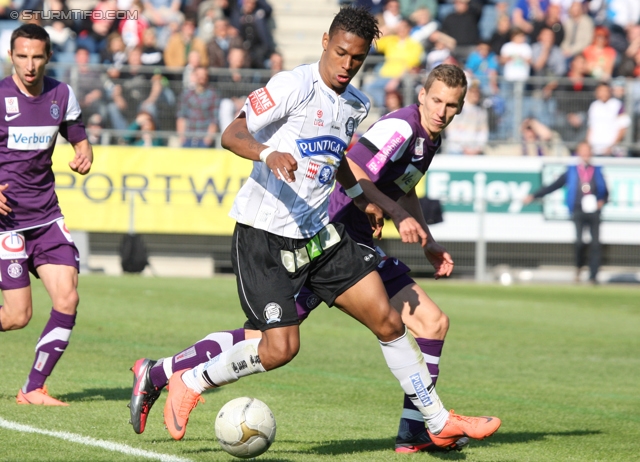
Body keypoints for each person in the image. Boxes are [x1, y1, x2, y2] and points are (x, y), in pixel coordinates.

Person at [127, 7, 501, 450]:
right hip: (264, 235)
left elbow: (340, 160)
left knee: (387, 318)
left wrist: (364, 199)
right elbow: (232, 133)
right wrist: (267, 154)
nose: (347, 65)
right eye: (341, 53)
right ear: (325, 42)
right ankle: (188, 379)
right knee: (278, 347)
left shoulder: (355, 104)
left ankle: (434, 422)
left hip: (320, 234)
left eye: (357, 59)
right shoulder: (293, 85)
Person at [0, 24, 93, 405]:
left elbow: (75, 129)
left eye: (37, 56)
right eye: (22, 56)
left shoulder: (61, 93)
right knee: (17, 316)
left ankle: (33, 388)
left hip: (46, 217)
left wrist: (84, 150)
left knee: (67, 298)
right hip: (6, 226)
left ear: (48, 57)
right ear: (11, 56)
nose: (30, 65)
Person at [524, 142, 608, 283]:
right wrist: (534, 195)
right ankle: (579, 266)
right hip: (578, 209)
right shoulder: (572, 171)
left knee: (595, 244)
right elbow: (554, 185)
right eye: (583, 151)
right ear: (579, 153)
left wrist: (602, 201)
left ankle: (593, 276)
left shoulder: (597, 170)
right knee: (579, 242)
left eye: (588, 151)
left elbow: (605, 191)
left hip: (594, 211)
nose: (586, 154)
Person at [176, 66, 219, 147]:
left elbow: (214, 119)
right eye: (198, 75)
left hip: (204, 138)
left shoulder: (213, 95)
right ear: (194, 76)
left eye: (203, 75)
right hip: (188, 137)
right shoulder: (186, 94)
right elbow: (181, 116)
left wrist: (208, 139)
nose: (201, 77)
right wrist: (181, 137)